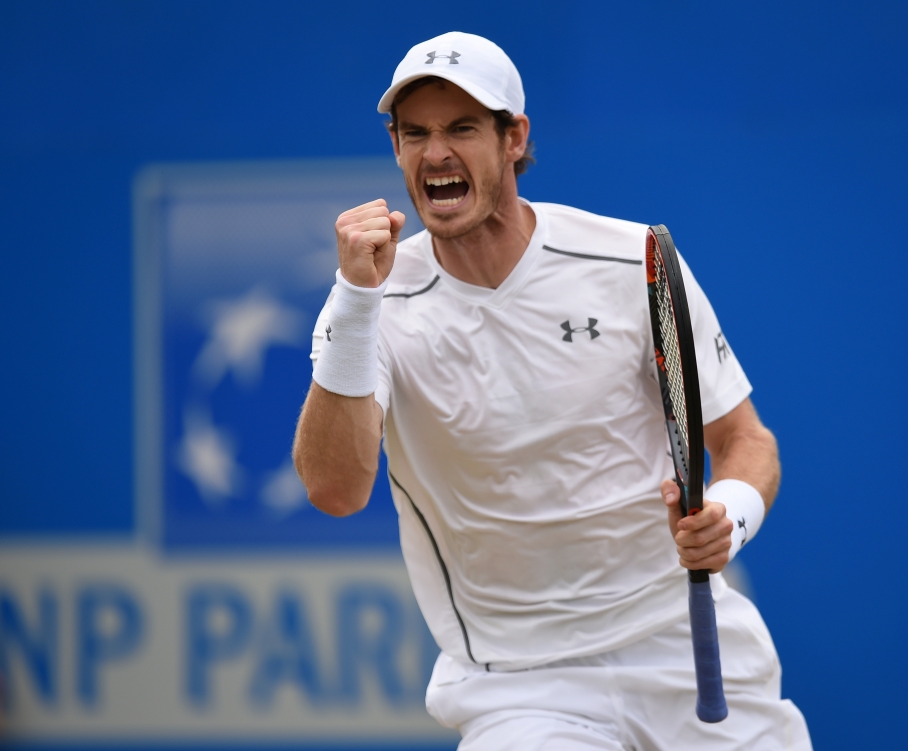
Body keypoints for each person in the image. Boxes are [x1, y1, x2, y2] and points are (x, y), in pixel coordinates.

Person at [293, 31, 811, 751]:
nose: (436, 153)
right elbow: (334, 488)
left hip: (683, 641)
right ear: (396, 148)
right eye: (416, 134)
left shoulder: (632, 259)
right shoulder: (368, 303)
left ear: (515, 138)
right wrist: (354, 299)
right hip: (520, 685)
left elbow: (746, 442)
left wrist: (730, 511)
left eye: (463, 128)